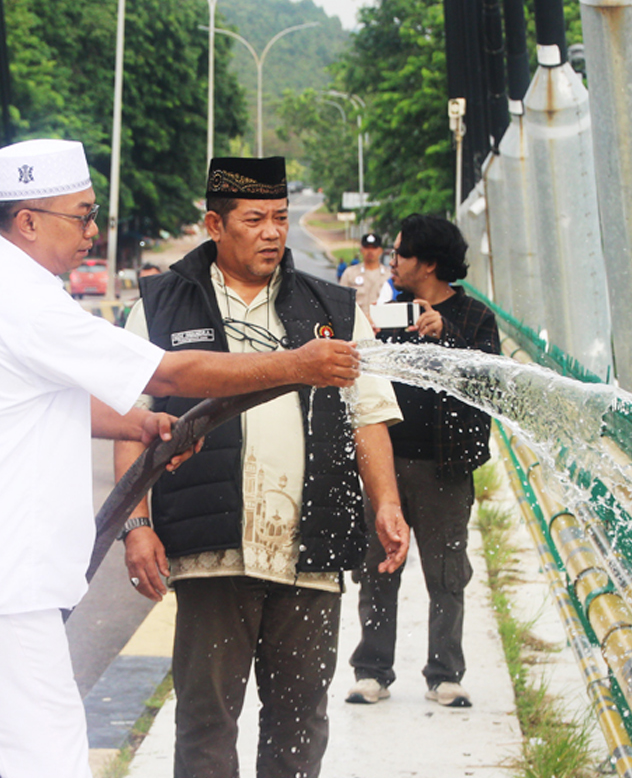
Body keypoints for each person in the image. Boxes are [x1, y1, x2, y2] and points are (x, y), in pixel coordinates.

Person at [0, 140, 366, 778]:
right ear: (27, 220)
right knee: (51, 760)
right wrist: (295, 364)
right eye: (80, 216)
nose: (92, 232)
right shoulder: (20, 298)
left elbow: (38, 402)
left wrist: (140, 422)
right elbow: (170, 370)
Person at [117, 156, 411, 778]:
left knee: (300, 722)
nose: (274, 232)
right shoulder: (163, 304)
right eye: (255, 219)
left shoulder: (329, 305)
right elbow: (132, 418)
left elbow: (368, 414)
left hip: (311, 549)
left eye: (280, 218)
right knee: (205, 722)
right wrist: (136, 523)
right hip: (211, 549)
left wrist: (386, 502)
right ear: (214, 225)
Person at [345, 213, 499, 709]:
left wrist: (447, 334)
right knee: (378, 568)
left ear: (429, 264)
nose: (393, 260)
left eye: (402, 253)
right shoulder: (390, 315)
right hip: (386, 465)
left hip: (445, 469)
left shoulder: (476, 319)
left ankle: (444, 674)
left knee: (447, 572)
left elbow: (489, 385)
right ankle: (372, 670)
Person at [339, 233, 390, 311]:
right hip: (357, 321)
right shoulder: (350, 274)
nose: (370, 251)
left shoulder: (388, 275)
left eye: (374, 248)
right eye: (367, 248)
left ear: (380, 250)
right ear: (361, 249)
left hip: (381, 321)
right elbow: (341, 300)